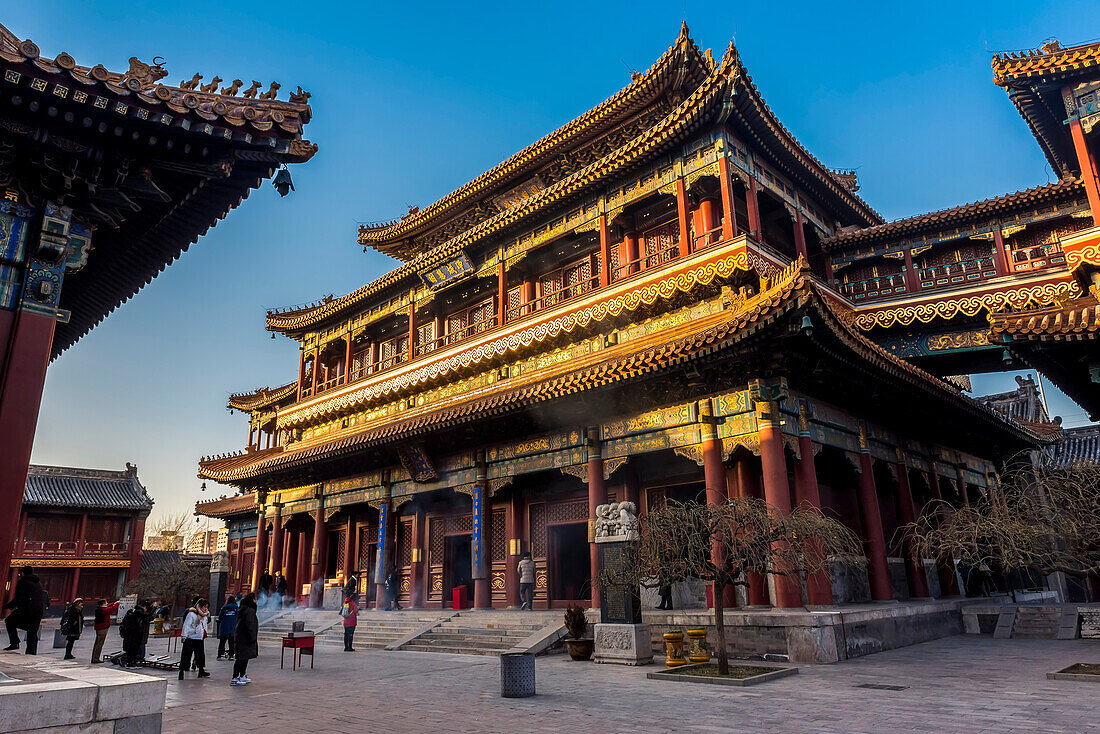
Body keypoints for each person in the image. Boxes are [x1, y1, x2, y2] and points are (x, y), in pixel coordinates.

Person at [3, 566, 44, 654]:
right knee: (32, 632)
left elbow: (19, 599)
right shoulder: (38, 582)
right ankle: (31, 653)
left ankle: (14, 642)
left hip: (26, 610)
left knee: (9, 621)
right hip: (38, 611)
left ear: (22, 573)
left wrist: (5, 607)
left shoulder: (23, 582)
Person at [178, 598, 210, 680]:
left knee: (200, 655)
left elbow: (204, 625)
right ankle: (181, 671)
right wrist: (184, 636)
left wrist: (204, 633)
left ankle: (201, 670)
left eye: (207, 607)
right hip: (191, 637)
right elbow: (186, 625)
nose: (205, 609)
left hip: (199, 637)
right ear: (200, 606)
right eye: (204, 607)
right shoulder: (192, 614)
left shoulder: (205, 615)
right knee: (186, 655)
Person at [231, 593, 258, 686]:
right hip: (245, 637)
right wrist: (252, 636)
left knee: (244, 658)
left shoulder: (244, 609)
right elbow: (250, 625)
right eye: (255, 599)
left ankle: (242, 675)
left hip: (242, 636)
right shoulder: (249, 611)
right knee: (241, 658)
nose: (256, 601)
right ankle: (235, 677)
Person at [91, 598, 120, 663]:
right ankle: (95, 658)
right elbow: (110, 609)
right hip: (102, 628)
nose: (107, 603)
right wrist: (117, 604)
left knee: (98, 643)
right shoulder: (102, 610)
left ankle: (95, 658)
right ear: (103, 604)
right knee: (99, 644)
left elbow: (108, 607)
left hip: (100, 628)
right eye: (106, 602)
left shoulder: (99, 609)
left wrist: (114, 603)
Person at [216, 594, 238, 660]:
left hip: (224, 627)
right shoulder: (236, 608)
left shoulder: (224, 608)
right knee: (231, 643)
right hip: (232, 628)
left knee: (222, 642)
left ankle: (219, 655)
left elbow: (220, 617)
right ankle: (231, 655)